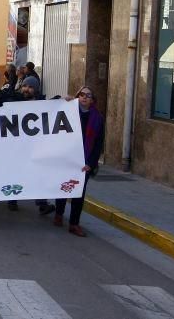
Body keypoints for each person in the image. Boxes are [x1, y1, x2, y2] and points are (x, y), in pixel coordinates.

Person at [3, 76, 57, 215]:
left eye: (30, 87)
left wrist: (63, 102)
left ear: (36, 89)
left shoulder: (42, 103)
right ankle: (12, 199)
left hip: (34, 146)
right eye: (25, 86)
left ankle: (42, 203)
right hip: (17, 146)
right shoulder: (14, 101)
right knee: (16, 172)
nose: (26, 89)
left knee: (38, 173)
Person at [55, 86, 105, 237]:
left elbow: (98, 143)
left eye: (88, 95)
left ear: (92, 100)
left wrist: (91, 163)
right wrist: (62, 100)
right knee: (64, 187)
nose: (84, 97)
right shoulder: (68, 109)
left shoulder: (97, 118)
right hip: (67, 157)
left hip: (84, 161)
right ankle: (59, 214)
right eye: (81, 94)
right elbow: (49, 108)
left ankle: (74, 224)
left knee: (78, 192)